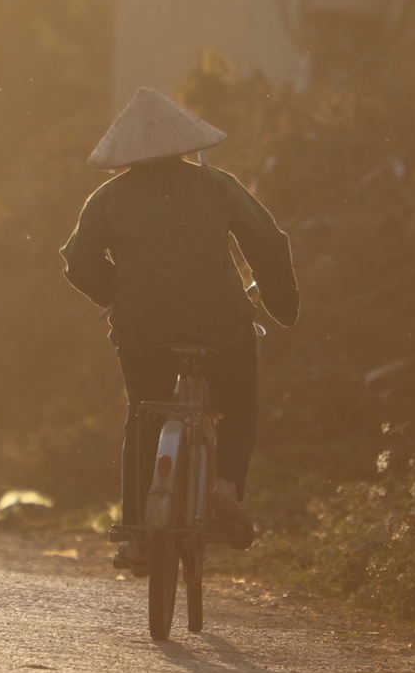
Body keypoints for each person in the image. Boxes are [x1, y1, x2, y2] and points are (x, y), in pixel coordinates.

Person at [59, 87, 299, 565]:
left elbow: (77, 260)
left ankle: (135, 532)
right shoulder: (217, 185)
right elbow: (268, 241)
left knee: (144, 412)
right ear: (185, 143)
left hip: (144, 329)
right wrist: (279, 303)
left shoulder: (107, 197)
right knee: (239, 403)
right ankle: (227, 485)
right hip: (222, 324)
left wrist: (116, 295)